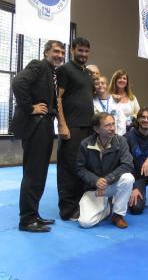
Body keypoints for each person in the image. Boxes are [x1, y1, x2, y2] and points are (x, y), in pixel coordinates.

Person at [11, 40, 65, 232]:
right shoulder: (38, 65)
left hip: (44, 125)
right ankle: (26, 219)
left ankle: (33, 214)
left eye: (62, 52)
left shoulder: (51, 72)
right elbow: (18, 82)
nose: (59, 55)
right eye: (56, 51)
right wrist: (29, 107)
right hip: (37, 126)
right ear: (45, 52)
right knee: (34, 173)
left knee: (39, 172)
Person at [57, 37, 95, 221]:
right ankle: (67, 210)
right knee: (68, 167)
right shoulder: (65, 70)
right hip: (71, 127)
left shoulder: (87, 73)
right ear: (72, 50)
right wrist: (62, 124)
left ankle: (81, 205)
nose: (83, 54)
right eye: (80, 51)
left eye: (86, 51)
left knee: (83, 167)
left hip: (88, 127)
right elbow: (58, 98)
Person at [76, 112, 134, 228]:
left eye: (113, 124)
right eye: (107, 125)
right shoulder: (85, 144)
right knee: (85, 223)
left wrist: (106, 180)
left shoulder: (121, 141)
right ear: (97, 129)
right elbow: (80, 169)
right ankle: (107, 208)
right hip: (94, 189)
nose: (112, 128)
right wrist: (95, 180)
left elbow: (128, 165)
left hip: (110, 185)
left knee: (128, 178)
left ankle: (118, 214)